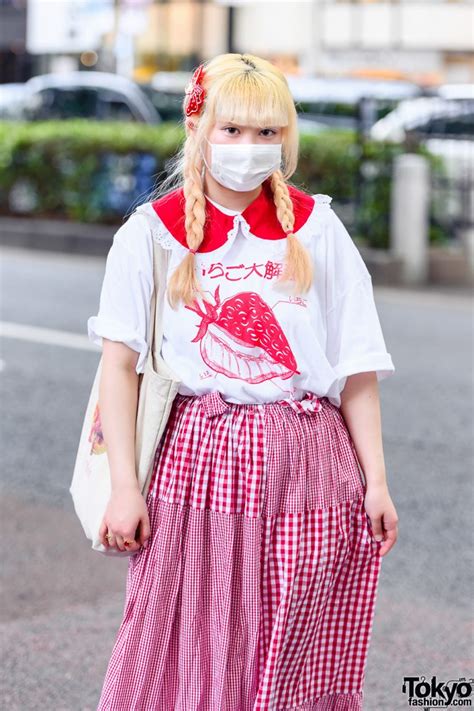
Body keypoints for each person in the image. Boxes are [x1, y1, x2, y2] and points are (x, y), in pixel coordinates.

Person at [88, 53, 399, 711]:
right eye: (232, 130)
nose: (251, 148)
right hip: (198, 459)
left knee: (294, 640)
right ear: (197, 127)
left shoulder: (318, 228)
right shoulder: (150, 235)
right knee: (188, 634)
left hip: (311, 462)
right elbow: (119, 368)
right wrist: (123, 487)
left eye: (268, 133)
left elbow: (357, 368)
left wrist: (375, 479)